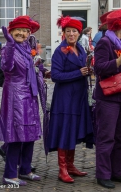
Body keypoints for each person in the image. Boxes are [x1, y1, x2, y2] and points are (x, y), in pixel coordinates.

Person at [47, 15, 94, 183]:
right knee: (64, 131)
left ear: (79, 33)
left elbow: (82, 67)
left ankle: (71, 165)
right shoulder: (60, 51)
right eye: (68, 31)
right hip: (65, 99)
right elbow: (56, 76)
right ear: (64, 33)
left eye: (75, 31)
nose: (71, 34)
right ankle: (62, 169)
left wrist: (88, 70)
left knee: (73, 130)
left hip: (79, 97)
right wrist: (78, 73)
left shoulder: (81, 50)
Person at [0, 15, 42, 186]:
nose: (22, 33)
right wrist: (8, 45)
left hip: (29, 96)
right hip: (15, 96)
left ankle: (25, 169)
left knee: (29, 135)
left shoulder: (25, 48)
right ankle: (9, 174)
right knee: (15, 135)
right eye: (18, 30)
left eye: (25, 30)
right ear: (11, 31)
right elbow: (6, 67)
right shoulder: (9, 48)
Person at [93, 9, 121, 189]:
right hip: (108, 96)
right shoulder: (105, 43)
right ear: (120, 26)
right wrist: (117, 63)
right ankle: (103, 174)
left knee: (119, 136)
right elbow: (99, 69)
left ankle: (116, 171)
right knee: (106, 137)